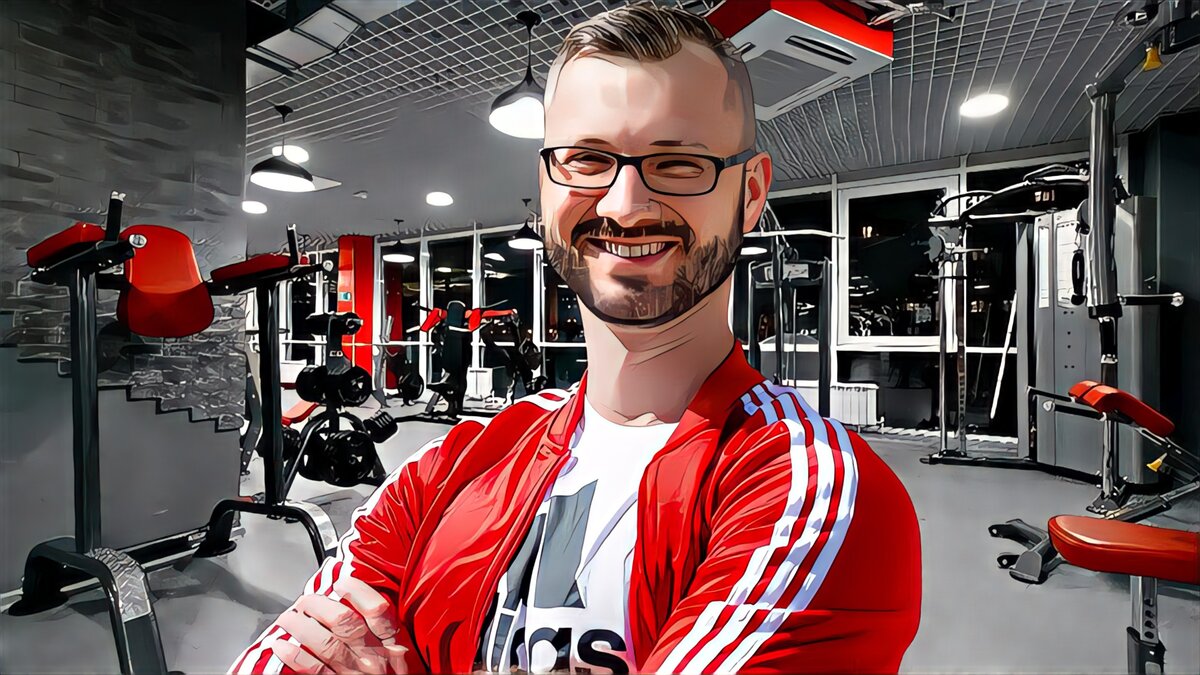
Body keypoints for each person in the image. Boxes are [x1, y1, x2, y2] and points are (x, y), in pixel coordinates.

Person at [229, 3, 921, 673]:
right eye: (587, 159)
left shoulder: (810, 491)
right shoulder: (453, 463)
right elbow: (284, 657)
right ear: (546, 184)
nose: (625, 205)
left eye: (679, 163)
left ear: (750, 193)